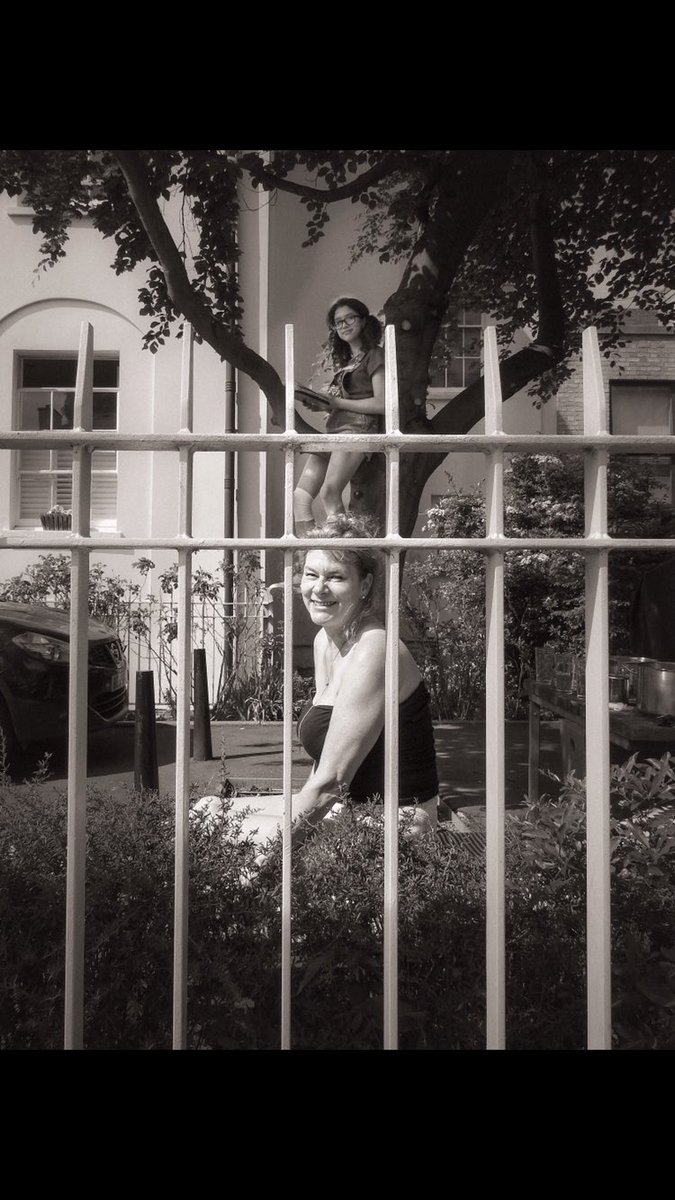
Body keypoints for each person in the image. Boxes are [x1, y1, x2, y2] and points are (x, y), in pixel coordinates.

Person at [291, 511, 439, 846]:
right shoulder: (325, 641)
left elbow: (331, 781)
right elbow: (327, 762)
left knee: (232, 838)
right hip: (351, 813)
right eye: (311, 574)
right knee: (211, 810)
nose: (319, 588)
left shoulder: (375, 649)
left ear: (365, 585)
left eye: (336, 577)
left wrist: (262, 861)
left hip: (395, 827)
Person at [293, 298, 385, 536]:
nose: (344, 325)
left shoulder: (374, 355)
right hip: (335, 430)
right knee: (300, 496)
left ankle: (344, 553)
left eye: (349, 318)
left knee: (329, 493)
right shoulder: (347, 363)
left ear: (364, 320)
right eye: (338, 322)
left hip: (357, 431)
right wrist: (323, 405)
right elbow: (345, 403)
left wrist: (336, 402)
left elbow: (382, 403)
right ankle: (311, 554)